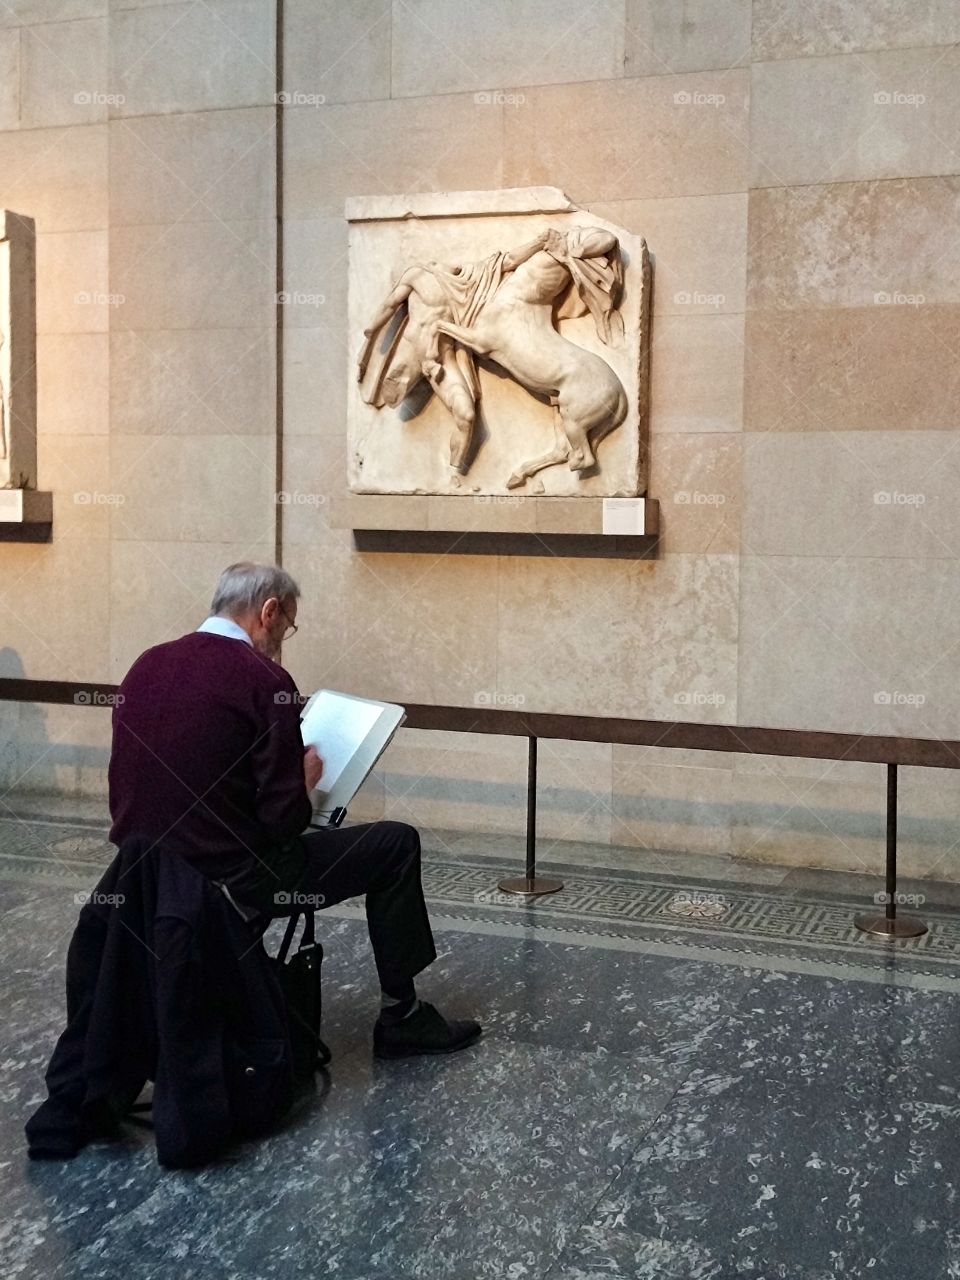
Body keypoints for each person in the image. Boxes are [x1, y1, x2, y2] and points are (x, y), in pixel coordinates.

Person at [108, 561, 481, 1059]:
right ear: (269, 611)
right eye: (287, 627)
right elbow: (283, 823)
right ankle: (403, 1017)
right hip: (234, 881)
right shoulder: (263, 679)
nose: (283, 640)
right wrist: (303, 784)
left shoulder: (146, 664)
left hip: (141, 877)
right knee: (395, 843)